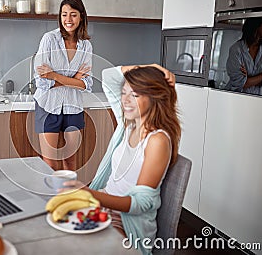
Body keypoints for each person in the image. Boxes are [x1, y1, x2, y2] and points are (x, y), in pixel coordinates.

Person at [62, 64, 180, 255]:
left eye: (134, 95)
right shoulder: (128, 125)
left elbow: (140, 204)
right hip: (102, 206)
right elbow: (108, 76)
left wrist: (87, 193)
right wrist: (151, 67)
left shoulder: (157, 140)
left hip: (126, 222)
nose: (125, 100)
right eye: (124, 93)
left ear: (154, 97)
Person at [33, 0, 93, 171]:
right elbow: (41, 82)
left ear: (81, 16)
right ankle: (51, 198)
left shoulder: (86, 46)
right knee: (50, 162)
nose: (68, 19)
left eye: (73, 14)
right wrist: (74, 78)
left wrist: (55, 76)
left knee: (70, 161)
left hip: (73, 106)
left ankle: (68, 198)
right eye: (64, 14)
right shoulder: (49, 40)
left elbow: (87, 85)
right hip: (47, 105)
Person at [225, 17, 262, 95]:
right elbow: (239, 83)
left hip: (256, 99)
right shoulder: (236, 49)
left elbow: (245, 82)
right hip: (234, 98)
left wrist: (248, 79)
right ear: (257, 25)